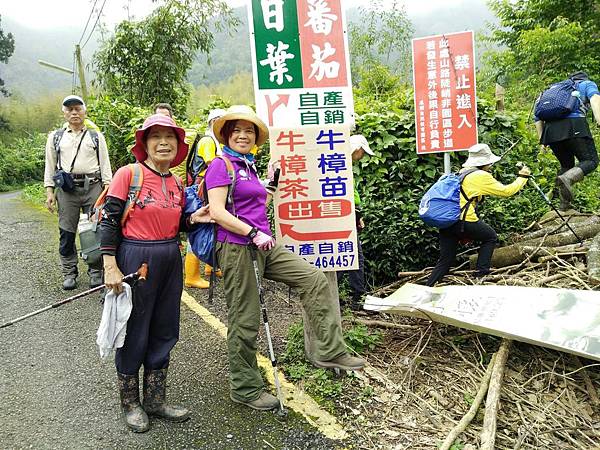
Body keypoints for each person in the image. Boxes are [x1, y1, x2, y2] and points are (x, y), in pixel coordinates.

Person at [204, 105, 365, 411]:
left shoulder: (247, 165)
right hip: (239, 247)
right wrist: (252, 233)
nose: (242, 135)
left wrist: (270, 184)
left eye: (248, 131)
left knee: (314, 279)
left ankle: (328, 350)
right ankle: (245, 387)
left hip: (264, 244)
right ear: (226, 135)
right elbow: (217, 211)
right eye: (236, 130)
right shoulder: (220, 165)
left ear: (255, 138)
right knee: (245, 318)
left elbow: (256, 203)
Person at [100, 113, 211, 432]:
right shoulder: (128, 174)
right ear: (145, 144)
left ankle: (155, 400)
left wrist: (194, 220)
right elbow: (109, 221)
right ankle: (130, 404)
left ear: (178, 145)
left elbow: (175, 225)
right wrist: (110, 265)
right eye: (155, 136)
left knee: (164, 327)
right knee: (134, 329)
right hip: (136, 258)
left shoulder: (176, 182)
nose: (163, 142)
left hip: (169, 258)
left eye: (170, 137)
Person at [426, 143, 531, 286]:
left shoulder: (462, 173)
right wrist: (522, 177)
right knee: (490, 237)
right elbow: (506, 191)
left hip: (448, 221)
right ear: (486, 162)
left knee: (445, 260)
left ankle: (428, 287)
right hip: (464, 220)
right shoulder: (480, 176)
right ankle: (481, 275)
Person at [44, 95, 112, 290]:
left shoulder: (95, 136)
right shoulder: (56, 137)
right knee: (67, 232)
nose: (74, 112)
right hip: (66, 190)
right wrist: (50, 192)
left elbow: (105, 164)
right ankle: (69, 272)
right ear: (64, 113)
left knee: (96, 230)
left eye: (77, 108)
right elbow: (50, 166)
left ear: (84, 111)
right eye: (70, 109)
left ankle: (96, 271)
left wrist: (108, 188)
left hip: (94, 187)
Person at [154, 105, 226, 288]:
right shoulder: (208, 141)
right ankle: (192, 275)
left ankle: (211, 266)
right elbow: (213, 165)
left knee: (212, 225)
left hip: (205, 188)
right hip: (200, 189)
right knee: (198, 228)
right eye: (217, 122)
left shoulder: (217, 141)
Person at [535, 71, 600, 211]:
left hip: (550, 132)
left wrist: (542, 141)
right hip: (574, 125)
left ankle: (564, 206)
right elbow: (595, 98)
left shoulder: (555, 89)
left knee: (566, 165)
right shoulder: (586, 84)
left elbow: (537, 117)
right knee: (591, 161)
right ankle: (568, 178)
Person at [336, 134, 373, 310]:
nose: (363, 156)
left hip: (349, 216)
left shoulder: (343, 165)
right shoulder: (342, 166)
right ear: (357, 149)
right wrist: (355, 216)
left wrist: (358, 215)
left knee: (348, 257)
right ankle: (358, 298)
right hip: (346, 217)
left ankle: (335, 295)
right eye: (363, 152)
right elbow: (346, 196)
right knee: (354, 258)